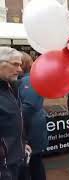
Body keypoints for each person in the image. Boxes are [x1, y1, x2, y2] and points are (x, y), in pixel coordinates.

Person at [19, 52, 47, 180]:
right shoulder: (26, 80)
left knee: (34, 164)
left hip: (31, 131)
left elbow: (29, 107)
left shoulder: (29, 80)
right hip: (31, 129)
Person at [0, 47, 26, 180]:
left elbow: (15, 120)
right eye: (15, 64)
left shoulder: (11, 86)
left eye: (20, 65)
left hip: (17, 159)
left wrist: (22, 144)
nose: (20, 69)